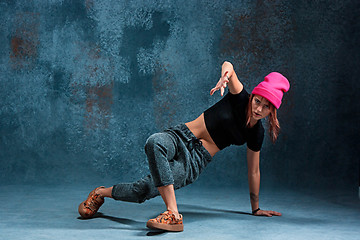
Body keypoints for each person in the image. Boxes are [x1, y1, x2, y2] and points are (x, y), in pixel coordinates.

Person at [78, 61, 290, 232]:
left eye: (266, 106)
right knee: (155, 142)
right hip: (181, 135)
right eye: (257, 101)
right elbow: (229, 66)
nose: (259, 108)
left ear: (272, 111)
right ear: (253, 97)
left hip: (196, 160)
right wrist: (226, 75)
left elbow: (254, 171)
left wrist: (256, 209)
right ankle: (173, 214)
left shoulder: (257, 133)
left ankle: (100, 193)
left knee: (143, 190)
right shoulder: (240, 98)